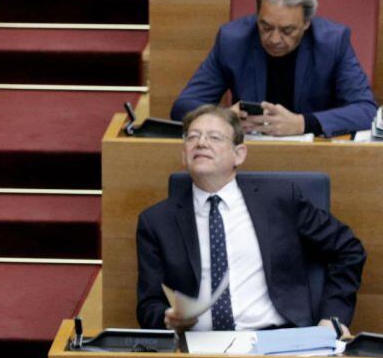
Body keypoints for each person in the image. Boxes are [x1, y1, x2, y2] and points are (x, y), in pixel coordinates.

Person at [136, 105, 365, 332]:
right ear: (184, 154)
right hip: (197, 346)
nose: (201, 143)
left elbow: (348, 249)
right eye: (193, 137)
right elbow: (149, 305)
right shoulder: (156, 221)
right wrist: (167, 319)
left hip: (276, 342)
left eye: (214, 137)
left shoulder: (279, 200)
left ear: (239, 154)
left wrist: (332, 317)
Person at [171, 0, 377, 137]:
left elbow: (366, 111)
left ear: (306, 23)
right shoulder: (232, 40)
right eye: (266, 27)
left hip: (315, 151)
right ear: (257, 16)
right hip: (248, 155)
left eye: (287, 31)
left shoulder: (332, 42)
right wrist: (223, 117)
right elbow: (183, 105)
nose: (274, 39)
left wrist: (301, 123)